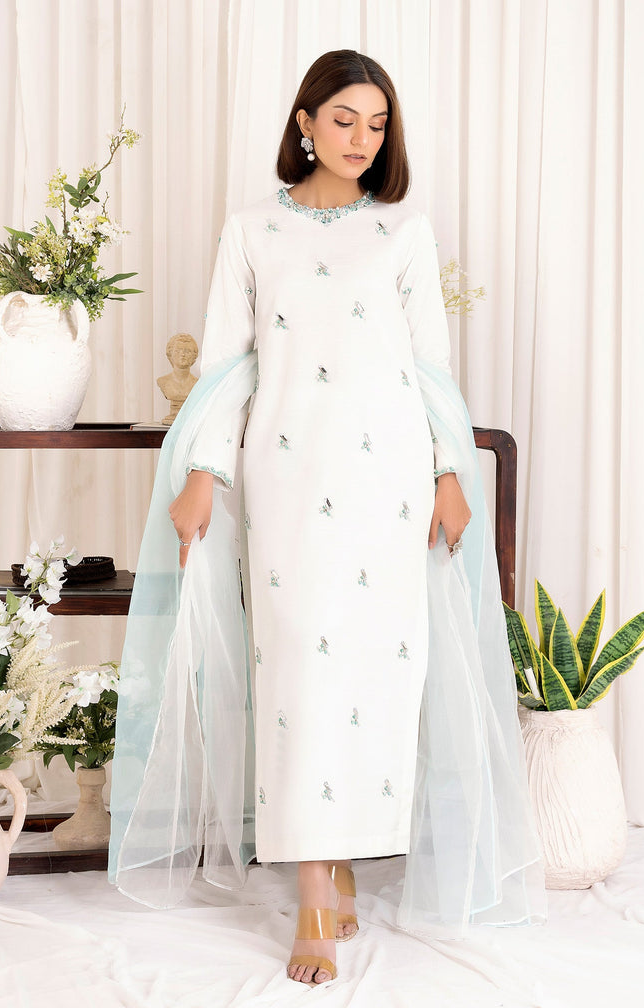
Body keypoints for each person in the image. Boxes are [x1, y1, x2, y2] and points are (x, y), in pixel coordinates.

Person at [109, 49, 546, 987]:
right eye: (344, 119)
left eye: (377, 124)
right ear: (305, 122)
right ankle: (313, 884)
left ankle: (341, 856)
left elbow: (429, 366)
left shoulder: (403, 231)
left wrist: (450, 470)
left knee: (376, 674)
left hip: (390, 482)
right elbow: (227, 365)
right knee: (300, 671)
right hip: (288, 478)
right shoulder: (251, 232)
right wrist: (202, 472)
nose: (361, 139)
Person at [157, 332, 199, 425]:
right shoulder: (163, 381)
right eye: (178, 350)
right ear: (170, 354)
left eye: (187, 351)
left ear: (194, 356)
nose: (182, 354)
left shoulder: (197, 384)